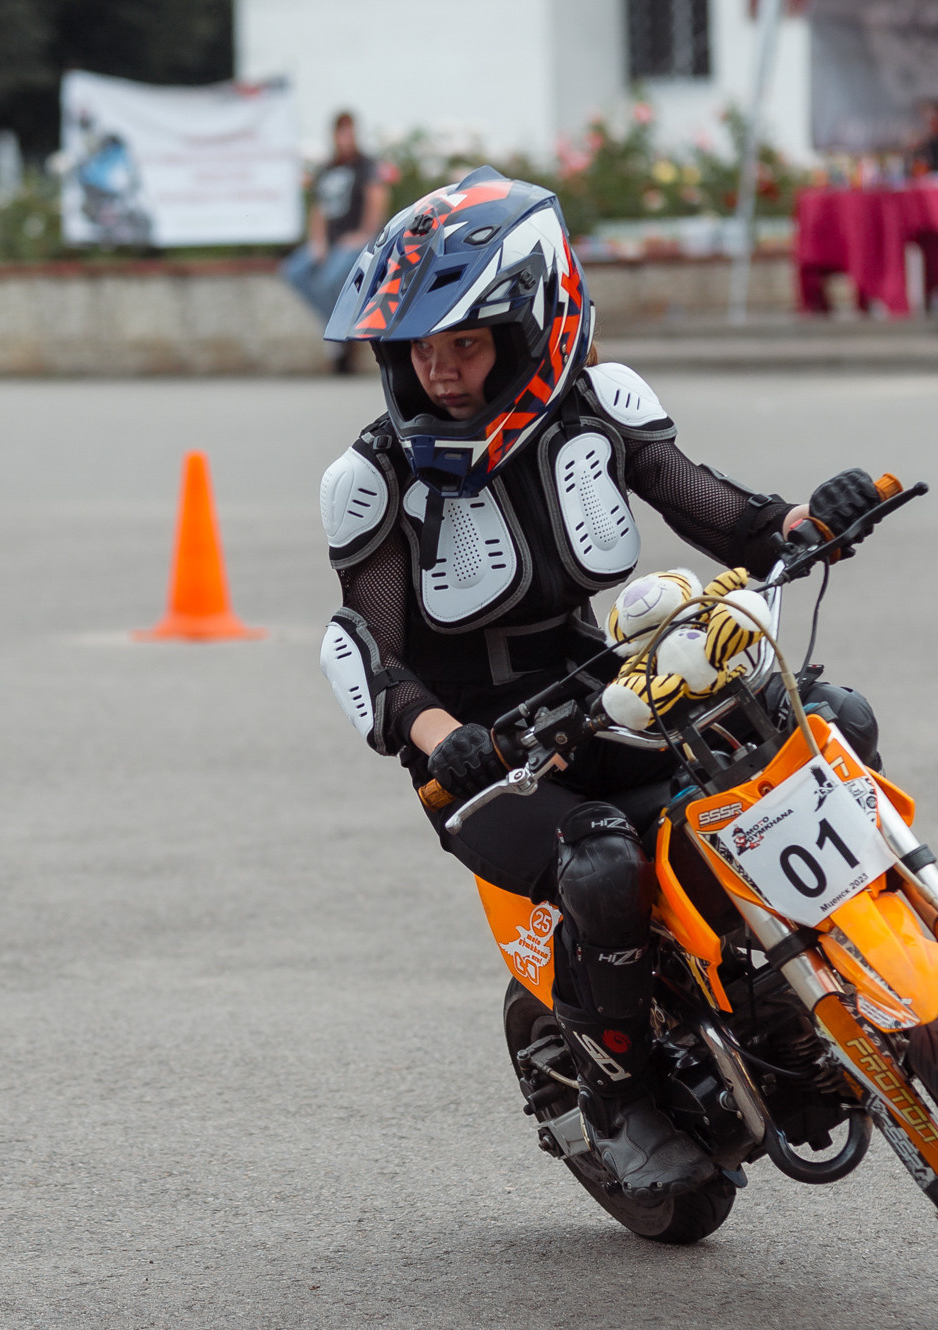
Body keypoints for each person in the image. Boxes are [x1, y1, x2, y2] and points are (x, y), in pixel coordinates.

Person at [312, 168, 886, 1201]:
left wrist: (808, 526)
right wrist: (444, 735)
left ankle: (832, 976)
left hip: (605, 694)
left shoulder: (597, 410)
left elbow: (722, 515)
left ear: (534, 327)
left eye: (466, 343)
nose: (439, 373)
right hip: (481, 754)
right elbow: (369, 654)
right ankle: (618, 1093)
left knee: (822, 725)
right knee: (602, 862)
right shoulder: (373, 479)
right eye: (419, 351)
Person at [283, 111, 390, 371]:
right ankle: (340, 328)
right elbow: (319, 209)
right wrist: (317, 242)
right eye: (340, 132)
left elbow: (377, 198)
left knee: (328, 280)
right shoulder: (327, 169)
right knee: (293, 271)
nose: (345, 138)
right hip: (329, 242)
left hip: (354, 241)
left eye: (349, 132)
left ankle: (339, 336)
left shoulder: (365, 165)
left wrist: (365, 233)